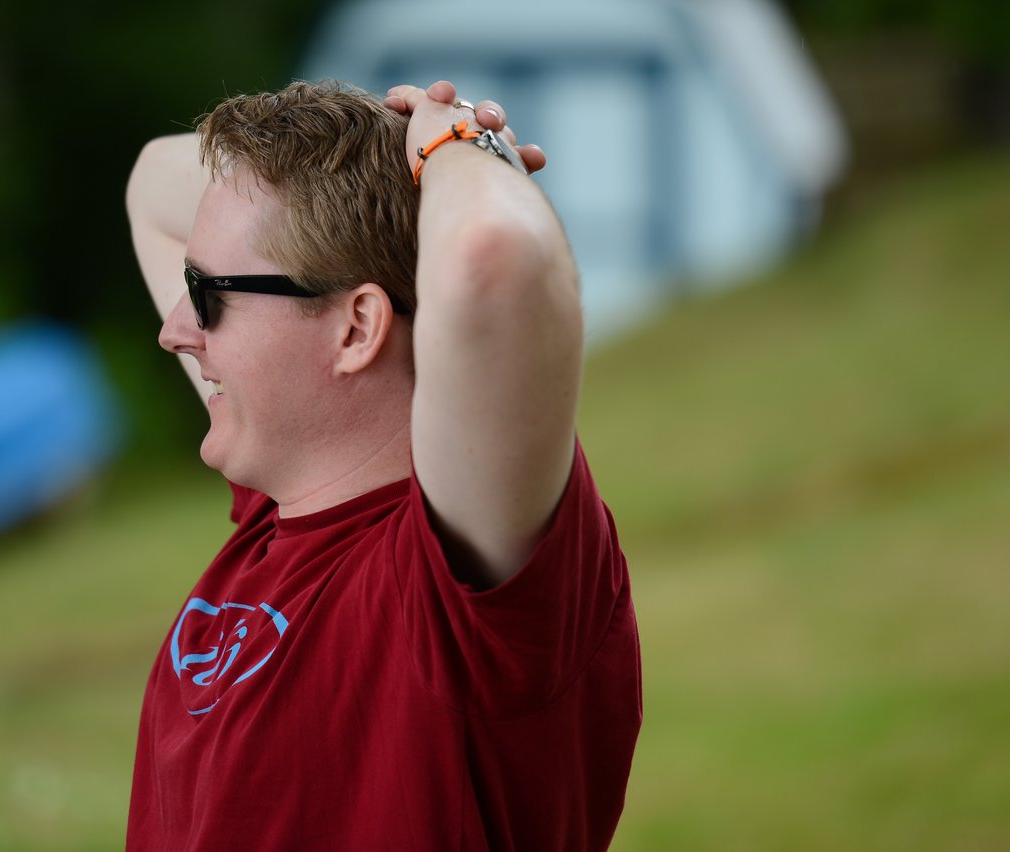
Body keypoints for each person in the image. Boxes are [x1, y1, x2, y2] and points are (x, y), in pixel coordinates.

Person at [124, 78, 641, 851]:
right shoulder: (284, 502)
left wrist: (455, 144)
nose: (175, 331)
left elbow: (496, 261)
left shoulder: (454, 584)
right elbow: (150, 183)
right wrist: (383, 159)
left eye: (207, 292)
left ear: (357, 328)